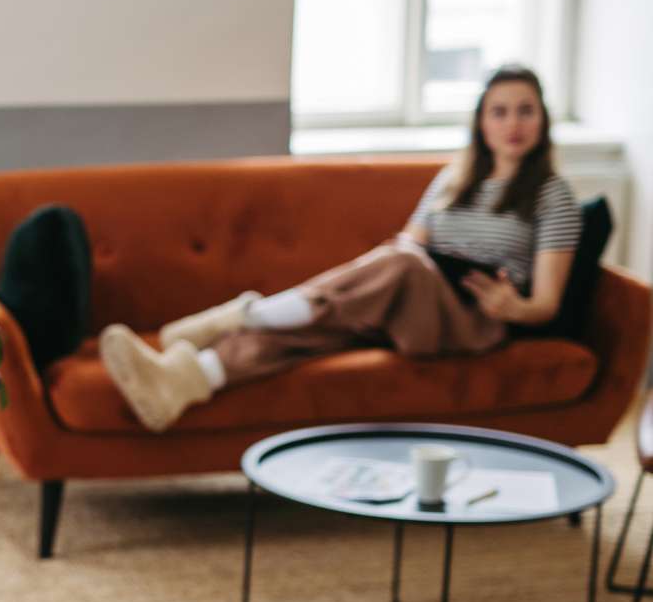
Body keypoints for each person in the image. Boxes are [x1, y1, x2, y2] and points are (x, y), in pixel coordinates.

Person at [100, 65, 583, 432]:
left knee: (401, 266)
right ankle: (182, 382)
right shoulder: (453, 181)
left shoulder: (552, 195)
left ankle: (255, 312)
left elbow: (547, 304)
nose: (513, 123)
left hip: (471, 324)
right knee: (316, 324)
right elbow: (409, 244)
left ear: (543, 119)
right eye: (500, 111)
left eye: (526, 110)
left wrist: (512, 307)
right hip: (412, 310)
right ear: (481, 122)